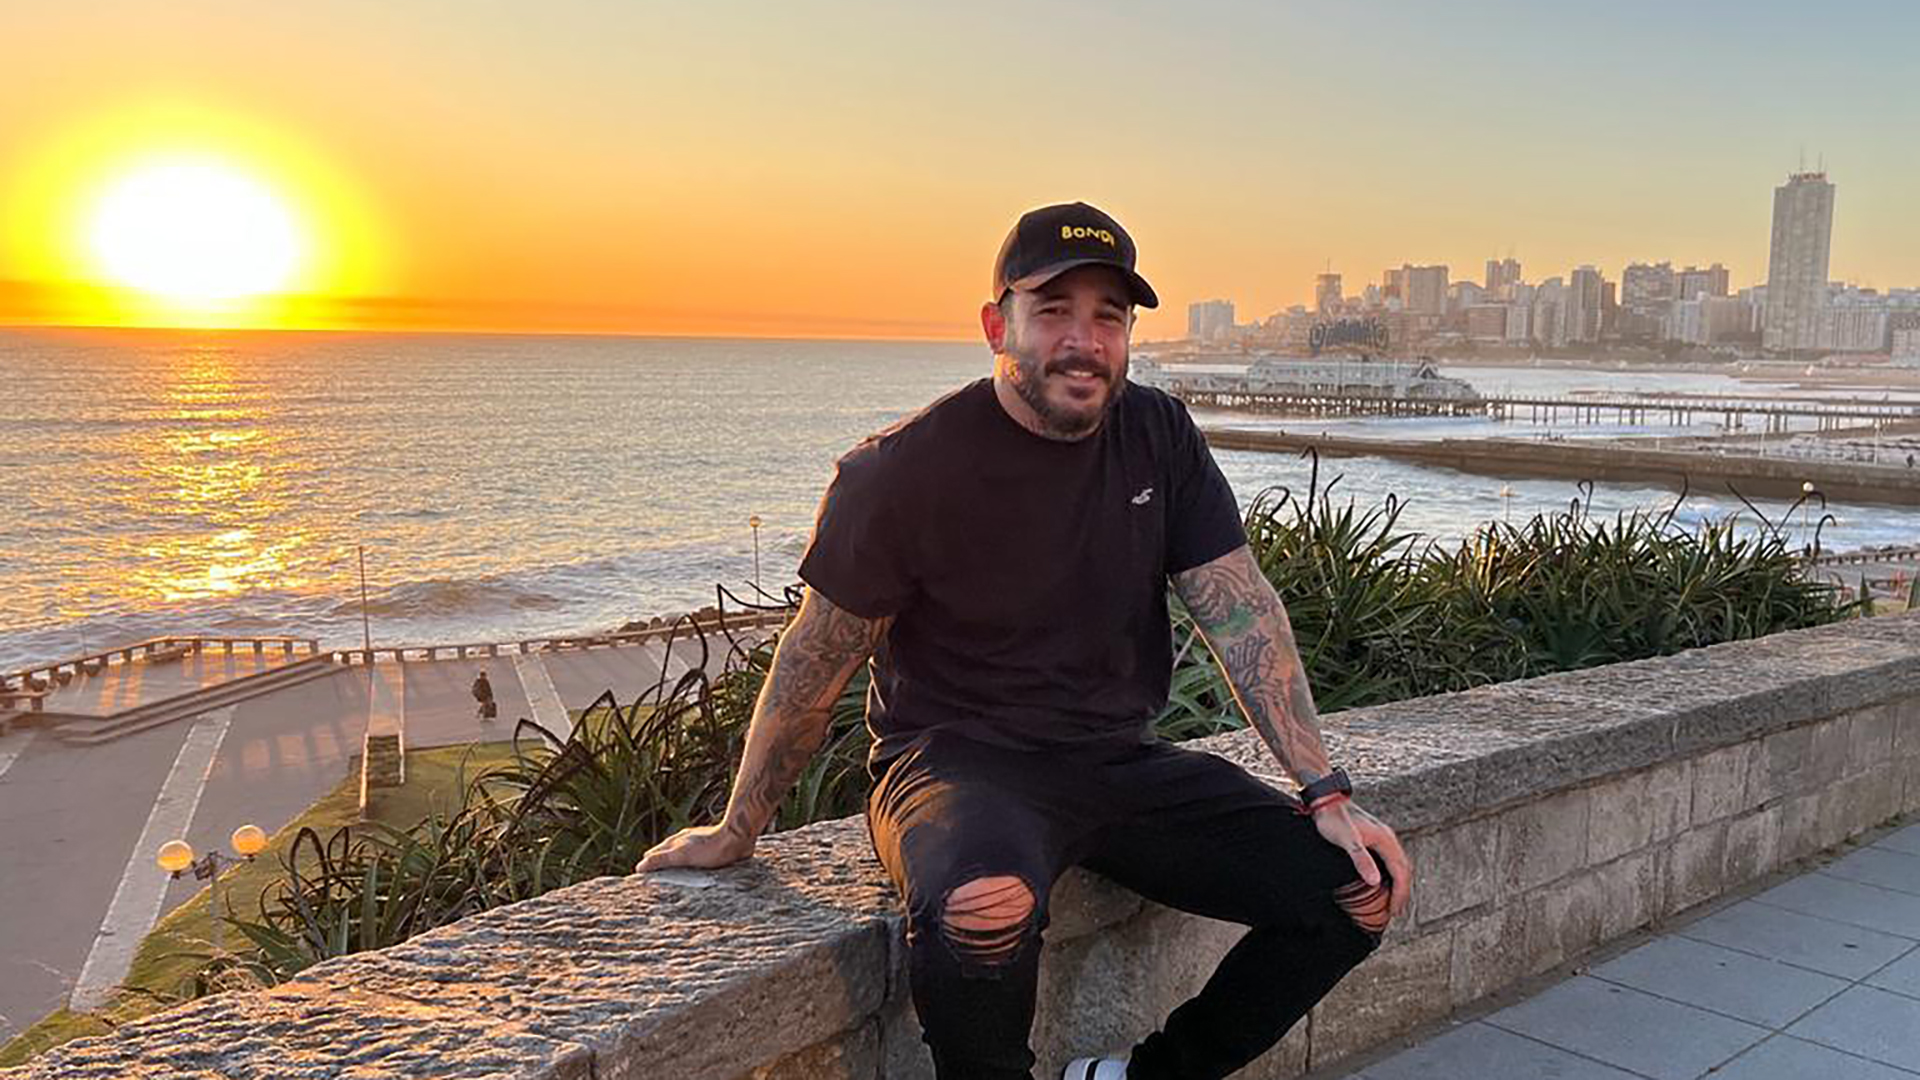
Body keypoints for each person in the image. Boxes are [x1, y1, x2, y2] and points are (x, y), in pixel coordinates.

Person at [637, 202, 1414, 1080]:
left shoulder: (1158, 436)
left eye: (1108, 317)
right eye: (1053, 312)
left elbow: (1241, 614)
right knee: (983, 906)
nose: (1083, 341)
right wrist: (739, 828)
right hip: (956, 764)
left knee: (1359, 892)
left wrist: (1324, 790)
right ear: (995, 325)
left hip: (1118, 760)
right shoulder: (901, 471)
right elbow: (815, 662)